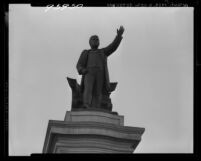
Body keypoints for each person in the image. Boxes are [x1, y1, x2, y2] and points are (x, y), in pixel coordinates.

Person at [76, 26, 125, 109]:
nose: (95, 40)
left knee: (98, 92)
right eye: (93, 39)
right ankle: (86, 105)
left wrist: (119, 36)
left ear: (99, 42)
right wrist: (82, 70)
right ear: (90, 42)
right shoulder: (86, 52)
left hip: (100, 73)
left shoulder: (102, 52)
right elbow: (79, 64)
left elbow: (113, 47)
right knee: (88, 89)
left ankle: (97, 107)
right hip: (89, 72)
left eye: (97, 39)